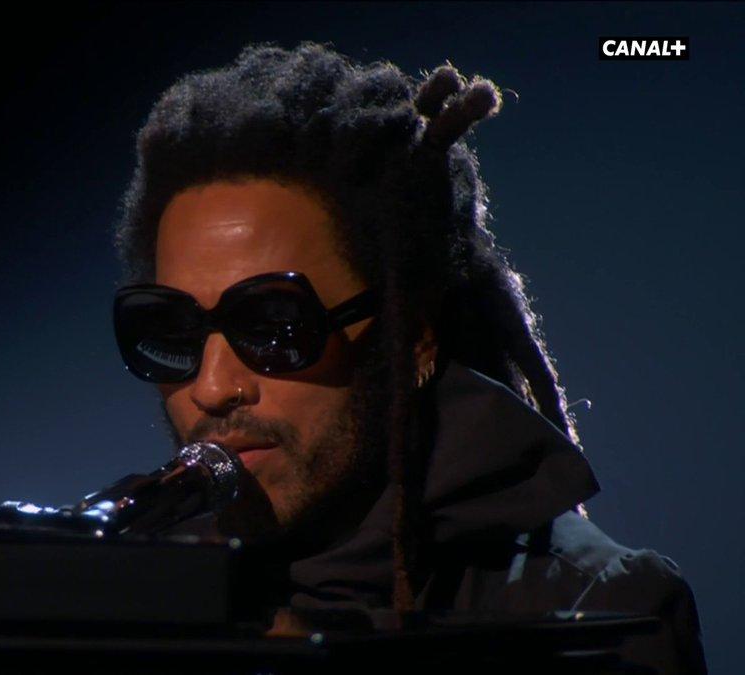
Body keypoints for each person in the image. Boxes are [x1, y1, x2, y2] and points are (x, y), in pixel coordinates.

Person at [110, 43, 706, 673]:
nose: (211, 388)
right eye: (172, 331)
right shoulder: (136, 597)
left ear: (411, 339)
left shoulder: (598, 613)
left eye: (273, 325)